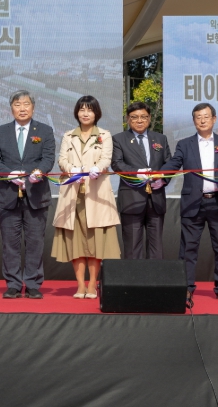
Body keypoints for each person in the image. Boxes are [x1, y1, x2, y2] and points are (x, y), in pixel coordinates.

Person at [160, 103, 218, 301]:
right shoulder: (184, 144)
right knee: (188, 248)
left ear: (214, 119)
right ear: (194, 120)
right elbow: (174, 163)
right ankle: (186, 287)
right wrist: (158, 173)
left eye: (206, 116)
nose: (202, 120)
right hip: (193, 203)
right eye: (198, 117)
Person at [0, 90, 55, 299]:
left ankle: (33, 283)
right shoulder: (1, 131)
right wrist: (9, 174)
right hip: (8, 195)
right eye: (17, 104)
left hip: (36, 195)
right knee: (10, 243)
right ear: (11, 109)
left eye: (26, 104)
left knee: (35, 242)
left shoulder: (44, 130)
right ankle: (13, 284)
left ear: (33, 107)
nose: (22, 108)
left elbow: (48, 158)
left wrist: (38, 172)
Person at [51, 95, 121, 299]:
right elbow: (62, 159)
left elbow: (106, 158)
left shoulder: (105, 135)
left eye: (89, 110)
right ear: (76, 113)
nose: (85, 113)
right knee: (76, 242)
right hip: (73, 195)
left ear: (96, 113)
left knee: (96, 241)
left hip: (96, 194)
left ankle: (92, 284)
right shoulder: (68, 135)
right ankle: (80, 284)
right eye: (82, 109)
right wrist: (70, 168)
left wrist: (97, 169)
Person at [112, 102, 172, 259]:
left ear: (150, 118)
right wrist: (137, 173)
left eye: (144, 117)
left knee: (156, 247)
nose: (139, 120)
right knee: (133, 247)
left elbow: (169, 164)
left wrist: (163, 180)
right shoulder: (119, 139)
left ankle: (155, 275)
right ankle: (134, 275)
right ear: (128, 119)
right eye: (135, 117)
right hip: (132, 199)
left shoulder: (160, 138)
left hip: (156, 199)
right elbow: (117, 164)